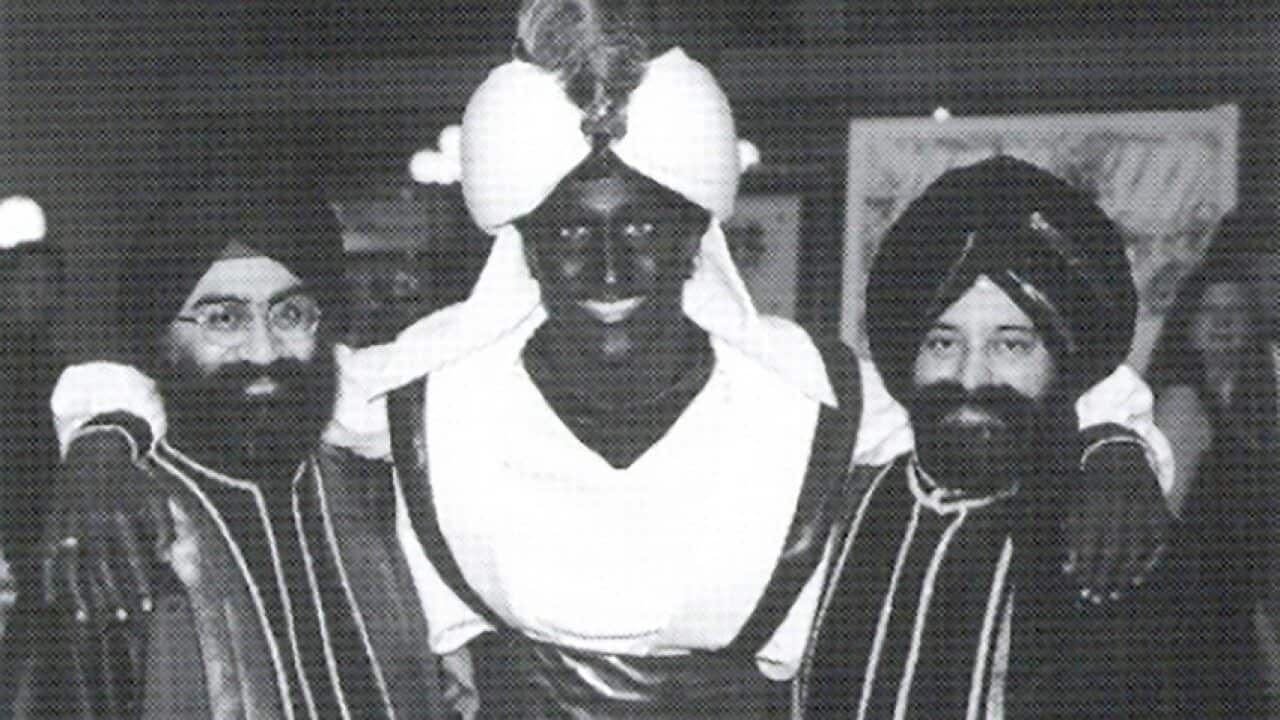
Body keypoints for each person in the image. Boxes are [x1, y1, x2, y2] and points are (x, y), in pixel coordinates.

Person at [44, 2, 1172, 716]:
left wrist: (1120, 445)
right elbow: (245, 372)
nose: (605, 257)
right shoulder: (430, 384)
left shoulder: (808, 387)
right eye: (567, 227)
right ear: (523, 240)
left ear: (696, 231)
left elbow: (994, 381)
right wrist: (100, 436)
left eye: (643, 221)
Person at [28, 167, 445, 719]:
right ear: (161, 338)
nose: (264, 352)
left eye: (291, 314)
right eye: (223, 319)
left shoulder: (376, 489)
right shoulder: (120, 530)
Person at [797, 156, 1173, 718]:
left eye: (1012, 345)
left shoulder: (1114, 540)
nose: (971, 379)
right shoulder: (837, 507)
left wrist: (1115, 448)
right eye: (943, 343)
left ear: (1064, 361)